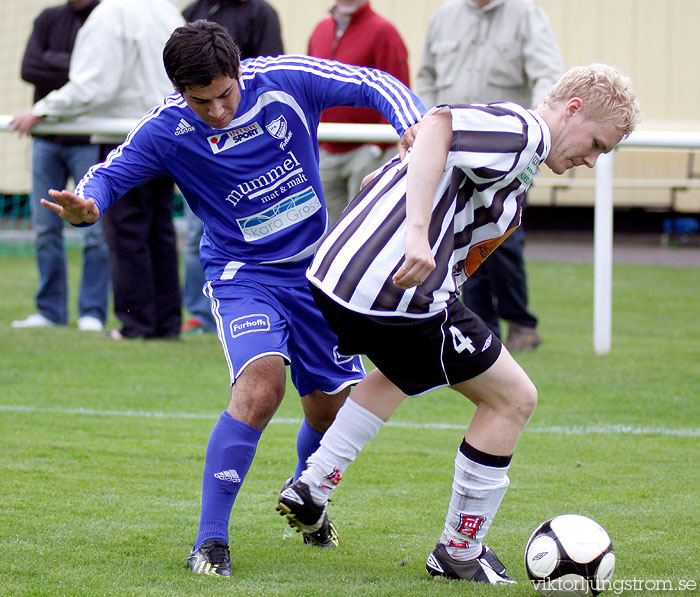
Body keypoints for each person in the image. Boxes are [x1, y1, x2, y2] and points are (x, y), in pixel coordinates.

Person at [41, 20, 425, 576]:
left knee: (329, 407)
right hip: (245, 275)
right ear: (179, 90)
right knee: (262, 386)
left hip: (318, 276)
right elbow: (109, 173)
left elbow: (373, 83)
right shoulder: (167, 129)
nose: (217, 110)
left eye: (225, 94)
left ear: (238, 72)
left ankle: (307, 498)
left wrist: (411, 123)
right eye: (202, 101)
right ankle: (210, 542)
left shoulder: (287, 80)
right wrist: (88, 204)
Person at [278, 64, 641, 583]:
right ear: (573, 109)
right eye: (597, 144)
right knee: (513, 398)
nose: (591, 159)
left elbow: (387, 171)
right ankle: (458, 551)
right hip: (392, 290)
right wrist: (416, 235)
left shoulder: (519, 157)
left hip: (339, 278)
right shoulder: (524, 132)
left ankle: (312, 486)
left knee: (404, 370)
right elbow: (439, 125)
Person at [11, 0, 185, 341]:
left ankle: (136, 326)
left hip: (127, 135)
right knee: (159, 231)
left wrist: (44, 108)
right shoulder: (166, 9)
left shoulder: (110, 14)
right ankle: (166, 325)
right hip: (168, 133)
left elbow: (94, 86)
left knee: (128, 232)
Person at [416, 0, 565, 351]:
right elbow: (426, 77)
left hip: (507, 154)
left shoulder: (525, 14)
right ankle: (483, 328)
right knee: (461, 239)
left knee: (504, 238)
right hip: (451, 152)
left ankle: (521, 323)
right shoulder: (445, 16)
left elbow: (549, 75)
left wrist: (534, 132)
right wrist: (426, 128)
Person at [180, 0, 285, 335]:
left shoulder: (261, 13)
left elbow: (270, 73)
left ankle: (273, 306)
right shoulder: (193, 12)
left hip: (255, 146)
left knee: (272, 225)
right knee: (197, 232)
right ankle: (203, 313)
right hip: (203, 149)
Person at [10, 0, 108, 332]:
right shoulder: (48, 17)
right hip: (46, 139)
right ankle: (50, 311)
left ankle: (92, 312)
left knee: (95, 232)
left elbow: (101, 77)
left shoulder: (105, 18)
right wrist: (76, 70)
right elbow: (29, 68)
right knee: (45, 229)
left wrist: (56, 62)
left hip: (89, 140)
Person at [307, 0, 411, 224]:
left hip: (366, 152)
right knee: (326, 229)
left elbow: (398, 87)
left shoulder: (384, 31)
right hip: (326, 151)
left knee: (366, 225)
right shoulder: (320, 30)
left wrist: (376, 148)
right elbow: (310, 86)